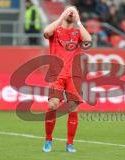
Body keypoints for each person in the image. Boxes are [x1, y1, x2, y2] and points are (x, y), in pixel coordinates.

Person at [42, 6, 91, 153]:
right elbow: (46, 32)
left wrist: (79, 21)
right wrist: (62, 15)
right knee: (52, 105)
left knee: (73, 108)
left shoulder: (77, 32)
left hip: (74, 75)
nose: (71, 13)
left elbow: (88, 40)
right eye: (69, 11)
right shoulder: (55, 31)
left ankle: (70, 144)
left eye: (74, 11)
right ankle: (48, 140)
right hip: (56, 73)